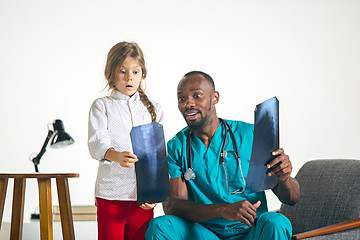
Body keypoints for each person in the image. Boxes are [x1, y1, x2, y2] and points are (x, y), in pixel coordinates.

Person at [145, 71, 300, 240]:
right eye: (182, 98)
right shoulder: (177, 146)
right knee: (160, 227)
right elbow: (173, 206)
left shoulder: (251, 135)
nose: (188, 103)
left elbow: (292, 198)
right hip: (204, 234)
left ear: (215, 98)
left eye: (197, 95)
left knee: (277, 222)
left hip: (251, 231)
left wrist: (285, 178)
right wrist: (223, 210)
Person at [88, 41, 164, 240]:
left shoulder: (154, 109)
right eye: (122, 71)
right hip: (111, 195)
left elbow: (158, 156)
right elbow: (97, 144)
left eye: (135, 72)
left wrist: (155, 194)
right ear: (111, 73)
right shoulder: (102, 106)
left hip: (143, 198)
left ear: (143, 74)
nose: (129, 77)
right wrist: (116, 156)